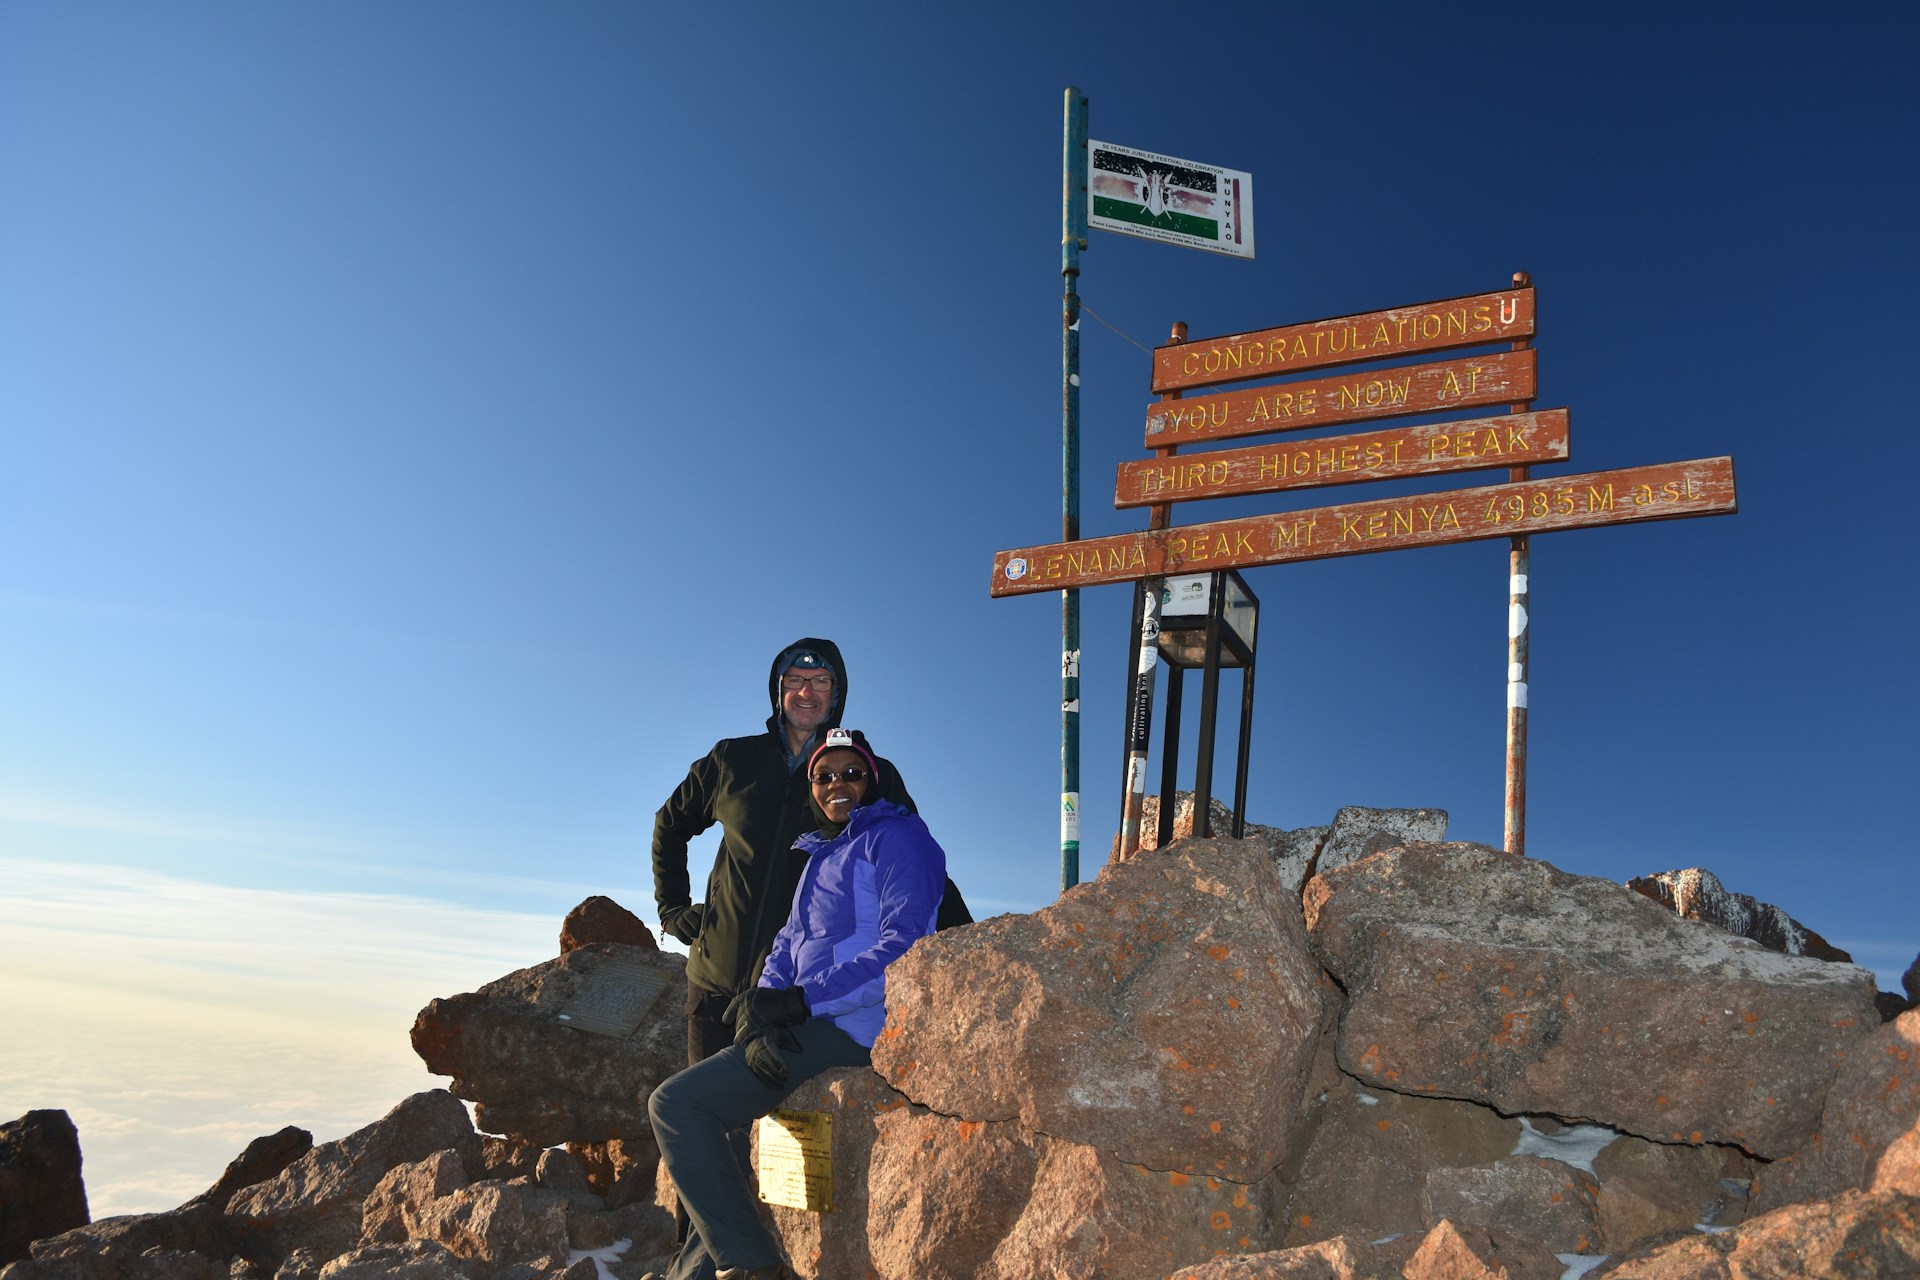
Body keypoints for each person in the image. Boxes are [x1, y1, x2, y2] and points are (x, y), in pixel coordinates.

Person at [646, 727, 947, 1280]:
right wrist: (765, 1005)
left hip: (857, 1027)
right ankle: (698, 1267)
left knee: (678, 1106)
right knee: (725, 1121)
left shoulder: (899, 840)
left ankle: (752, 1266)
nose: (837, 784)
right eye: (824, 776)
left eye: (850, 773)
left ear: (871, 781)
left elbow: (902, 951)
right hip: (811, 1019)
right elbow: (787, 941)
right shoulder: (818, 856)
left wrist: (798, 1004)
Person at [652, 639, 914, 1066]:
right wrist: (672, 907)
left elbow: (911, 862)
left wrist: (959, 947)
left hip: (799, 994)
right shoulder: (733, 759)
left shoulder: (863, 774)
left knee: (789, 1128)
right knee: (708, 1113)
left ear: (837, 694)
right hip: (714, 982)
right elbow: (669, 824)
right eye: (795, 680)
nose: (806, 692)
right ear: (778, 690)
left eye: (820, 681)